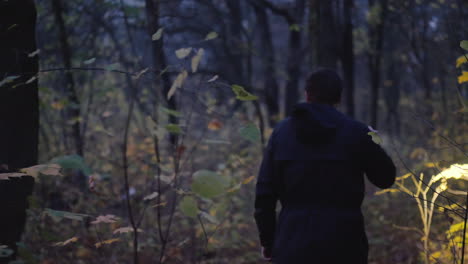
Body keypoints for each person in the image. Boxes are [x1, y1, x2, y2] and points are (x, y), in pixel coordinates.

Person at [254, 69, 396, 264]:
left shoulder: (281, 133)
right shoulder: (356, 132)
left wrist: (269, 242)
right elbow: (386, 178)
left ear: (307, 94)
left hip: (292, 242)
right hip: (344, 243)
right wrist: (374, 140)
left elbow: (264, 194)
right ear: (338, 98)